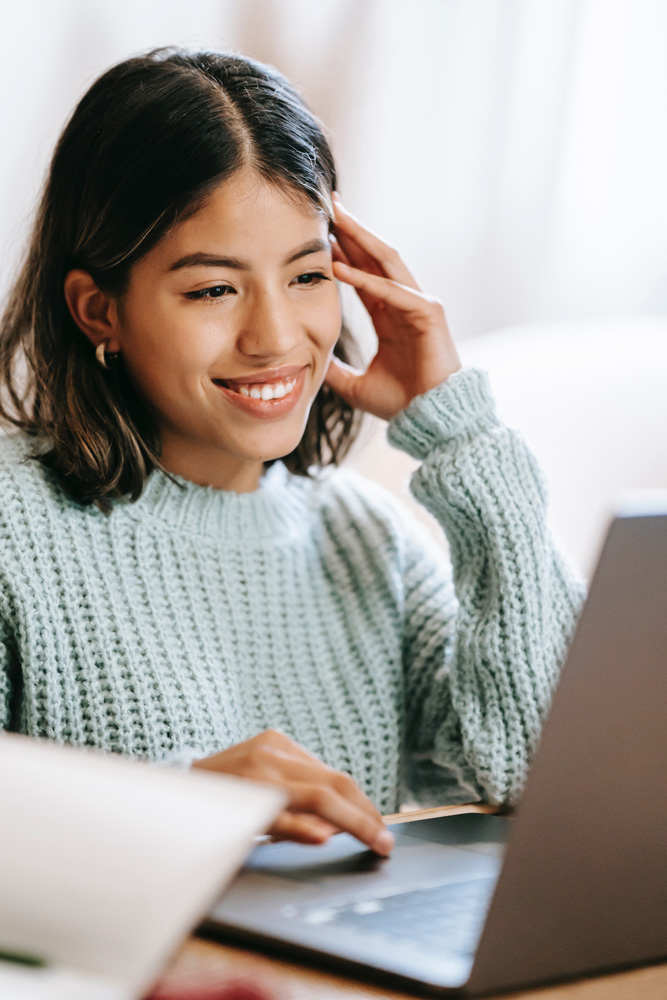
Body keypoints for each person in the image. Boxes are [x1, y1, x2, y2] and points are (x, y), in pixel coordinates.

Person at [0, 47, 585, 857]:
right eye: (212, 289)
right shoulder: (13, 530)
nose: (275, 338)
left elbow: (546, 785)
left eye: (308, 276)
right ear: (99, 310)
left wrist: (463, 434)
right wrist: (174, 807)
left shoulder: (371, 546)